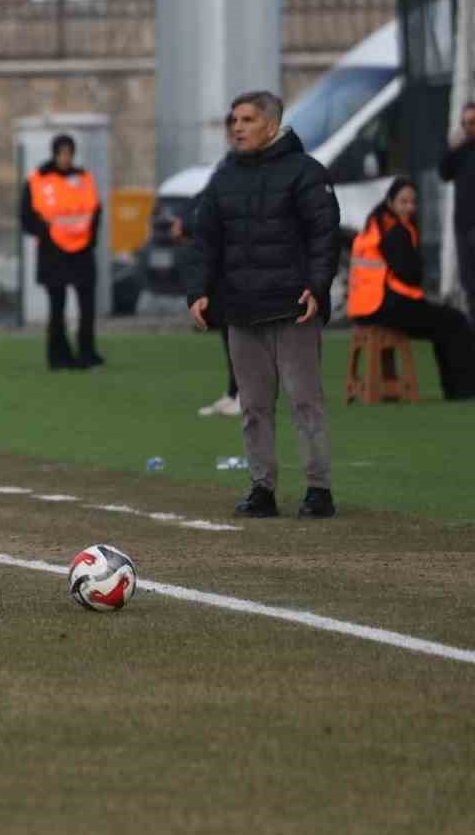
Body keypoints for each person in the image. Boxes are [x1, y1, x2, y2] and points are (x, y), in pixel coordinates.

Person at [189, 90, 341, 519]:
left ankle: (318, 489)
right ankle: (262, 488)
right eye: (233, 120)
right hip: (240, 310)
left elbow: (324, 235)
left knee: (304, 401)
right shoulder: (224, 179)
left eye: (247, 119)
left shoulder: (306, 173)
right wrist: (198, 290)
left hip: (294, 308)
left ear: (271, 125)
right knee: (253, 407)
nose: (237, 127)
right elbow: (205, 241)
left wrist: (317, 286)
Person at [346, 177, 475, 400]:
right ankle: (462, 390)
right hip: (388, 306)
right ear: (391, 202)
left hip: (365, 308)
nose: (409, 207)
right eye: (403, 202)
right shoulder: (396, 231)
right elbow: (411, 275)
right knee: (456, 322)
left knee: (445, 324)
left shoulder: (374, 224)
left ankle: (457, 389)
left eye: (413, 202)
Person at [20, 134, 103, 370]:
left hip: (82, 250)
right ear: (54, 153)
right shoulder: (37, 179)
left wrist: (91, 239)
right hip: (52, 252)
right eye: (62, 153)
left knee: (87, 305)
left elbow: (96, 210)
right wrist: (45, 234)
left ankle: (87, 353)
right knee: (57, 306)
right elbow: (26, 217)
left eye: (70, 153)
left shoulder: (83, 178)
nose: (66, 158)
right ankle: (58, 356)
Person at [177, 112, 240, 416]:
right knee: (229, 328)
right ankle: (234, 391)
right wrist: (185, 220)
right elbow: (205, 197)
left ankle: (246, 393)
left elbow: (219, 206)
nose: (237, 132)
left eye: (245, 123)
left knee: (244, 330)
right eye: (233, 127)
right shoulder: (228, 164)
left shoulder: (247, 169)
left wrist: (190, 223)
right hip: (222, 262)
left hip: (240, 262)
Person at [436, 100, 475, 322]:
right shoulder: (460, 151)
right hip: (463, 226)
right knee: (469, 284)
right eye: (465, 123)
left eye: (472, 122)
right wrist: (451, 149)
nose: (468, 127)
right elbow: (444, 172)